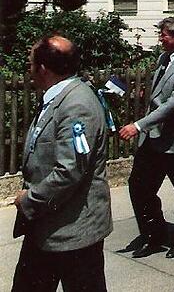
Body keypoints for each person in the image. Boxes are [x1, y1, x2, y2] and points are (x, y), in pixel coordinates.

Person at [12, 35, 112, 292]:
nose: (29, 69)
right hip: (47, 225)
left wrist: (28, 201)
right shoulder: (57, 96)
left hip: (72, 232)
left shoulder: (76, 104)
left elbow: (69, 171)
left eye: (31, 63)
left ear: (43, 68)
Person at [119, 16, 174, 259]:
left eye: (165, 34)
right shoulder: (164, 58)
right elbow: (159, 95)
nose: (161, 38)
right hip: (154, 139)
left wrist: (139, 126)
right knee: (139, 186)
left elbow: (173, 104)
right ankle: (154, 235)